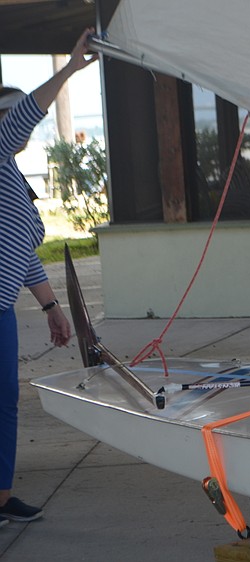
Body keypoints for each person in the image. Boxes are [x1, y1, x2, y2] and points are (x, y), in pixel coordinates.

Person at [0, 28, 97, 526]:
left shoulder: (10, 173)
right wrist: (70, 68)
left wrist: (50, 306)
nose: (28, 123)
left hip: (3, 309)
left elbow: (20, 247)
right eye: (14, 114)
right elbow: (21, 118)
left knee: (6, 400)